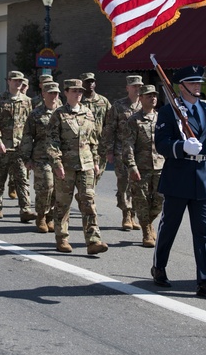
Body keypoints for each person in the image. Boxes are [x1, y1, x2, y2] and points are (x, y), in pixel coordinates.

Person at [151, 66, 206, 300]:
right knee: (169, 227)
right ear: (182, 87)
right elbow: (161, 143)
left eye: (199, 82)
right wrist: (182, 147)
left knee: (203, 233)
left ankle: (204, 281)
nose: (198, 86)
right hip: (178, 176)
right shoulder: (169, 112)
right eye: (193, 83)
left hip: (203, 178)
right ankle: (159, 266)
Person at [47, 79, 107, 255]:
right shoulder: (58, 114)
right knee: (63, 204)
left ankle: (93, 240)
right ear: (66, 92)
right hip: (66, 166)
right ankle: (62, 238)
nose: (78, 94)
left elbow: (93, 140)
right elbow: (52, 142)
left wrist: (96, 161)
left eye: (80, 91)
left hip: (86, 164)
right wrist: (57, 163)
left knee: (88, 202)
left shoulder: (88, 113)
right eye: (74, 91)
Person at [0, 70, 35, 222]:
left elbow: (30, 125)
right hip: (3, 147)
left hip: (20, 147)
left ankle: (25, 209)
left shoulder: (27, 101)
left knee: (22, 179)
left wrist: (30, 146)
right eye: (15, 80)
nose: (18, 83)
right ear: (8, 81)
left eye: (20, 81)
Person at [101, 74, 144, 231]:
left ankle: (133, 214)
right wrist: (109, 150)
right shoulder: (118, 106)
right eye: (134, 86)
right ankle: (126, 213)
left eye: (139, 86)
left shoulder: (144, 105)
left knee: (137, 184)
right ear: (127, 88)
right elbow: (110, 129)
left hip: (140, 152)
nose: (137, 89)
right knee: (124, 182)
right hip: (121, 151)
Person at [123, 85, 164, 248]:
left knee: (160, 200)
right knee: (141, 201)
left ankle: (148, 222)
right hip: (141, 167)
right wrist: (132, 166)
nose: (153, 98)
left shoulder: (161, 118)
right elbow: (128, 145)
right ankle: (146, 231)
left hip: (160, 166)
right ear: (141, 98)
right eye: (149, 96)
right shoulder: (134, 120)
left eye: (154, 95)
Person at [19, 80, 61, 233]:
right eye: (50, 93)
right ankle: (41, 216)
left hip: (59, 158)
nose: (54, 96)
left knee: (57, 188)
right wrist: (26, 158)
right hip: (41, 156)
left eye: (56, 93)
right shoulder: (36, 114)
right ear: (44, 94)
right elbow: (28, 136)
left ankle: (50, 216)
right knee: (46, 187)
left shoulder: (63, 112)